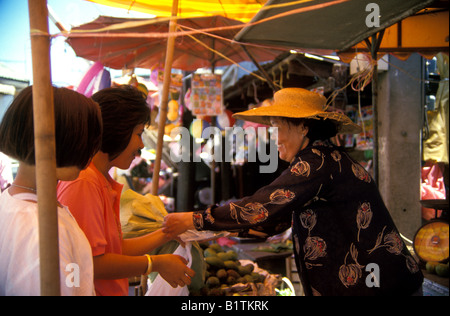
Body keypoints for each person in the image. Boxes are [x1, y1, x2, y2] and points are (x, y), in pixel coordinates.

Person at [163, 87, 424, 296]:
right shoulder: (325, 158)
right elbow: (274, 220)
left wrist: (194, 219)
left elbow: (262, 205)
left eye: (277, 127)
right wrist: (209, 230)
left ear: (303, 127)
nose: (274, 138)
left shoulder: (316, 163)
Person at [57, 85, 195, 296]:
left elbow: (113, 249)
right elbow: (89, 263)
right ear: (117, 129)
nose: (140, 145)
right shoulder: (84, 182)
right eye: (138, 134)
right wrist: (154, 264)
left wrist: (167, 234)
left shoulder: (99, 179)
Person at [0, 85, 103, 295]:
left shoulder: (13, 201)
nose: (91, 153)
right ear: (65, 141)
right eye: (88, 142)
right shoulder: (42, 230)